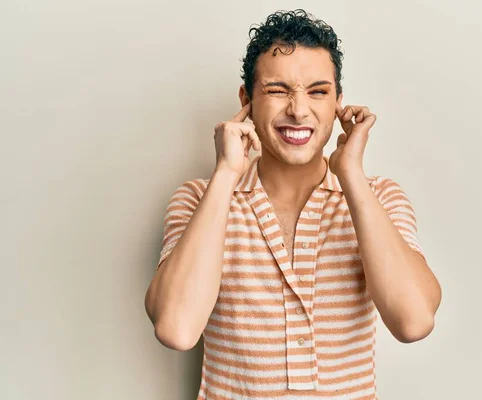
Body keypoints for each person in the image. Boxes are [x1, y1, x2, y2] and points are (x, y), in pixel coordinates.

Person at [144, 9, 441, 399]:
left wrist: (350, 173)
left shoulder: (380, 197)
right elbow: (176, 329)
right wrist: (226, 174)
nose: (299, 110)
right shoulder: (199, 198)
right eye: (277, 90)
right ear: (246, 100)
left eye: (318, 91)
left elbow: (414, 322)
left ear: (338, 102)